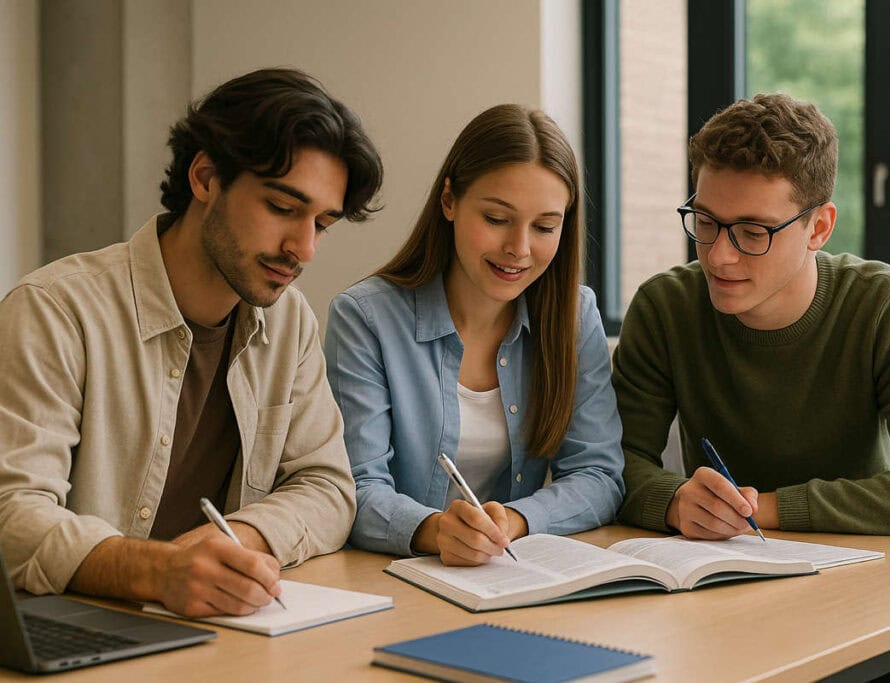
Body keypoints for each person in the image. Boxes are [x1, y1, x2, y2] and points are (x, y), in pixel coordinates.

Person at [613, 92, 890, 680]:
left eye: (753, 231)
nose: (720, 255)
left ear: (818, 226)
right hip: (719, 586)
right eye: (705, 223)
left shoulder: (886, 305)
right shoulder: (666, 307)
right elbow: (612, 464)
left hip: (877, 584)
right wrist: (674, 500)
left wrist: (766, 508)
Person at [0, 68, 383, 617]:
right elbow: (12, 515)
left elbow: (328, 487)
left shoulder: (289, 321)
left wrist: (237, 541)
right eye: (282, 208)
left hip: (217, 630)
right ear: (205, 178)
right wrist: (156, 570)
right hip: (75, 628)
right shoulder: (55, 311)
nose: (303, 249)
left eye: (322, 223)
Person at [325, 104, 624, 566]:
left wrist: (514, 521)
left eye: (545, 226)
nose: (519, 249)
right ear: (449, 201)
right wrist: (436, 531)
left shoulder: (573, 314)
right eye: (497, 219)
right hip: (393, 578)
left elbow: (599, 474)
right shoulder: (365, 318)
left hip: (507, 574)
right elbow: (354, 489)